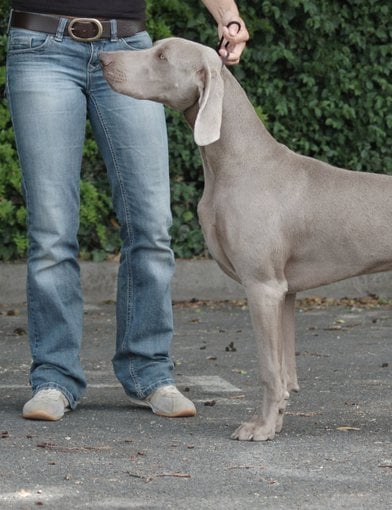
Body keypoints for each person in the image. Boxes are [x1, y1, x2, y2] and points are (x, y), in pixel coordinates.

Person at [5, 1, 250, 421]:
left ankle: (149, 373)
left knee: (151, 225)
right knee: (51, 232)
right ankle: (54, 378)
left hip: (132, 47)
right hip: (40, 46)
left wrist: (227, 16)